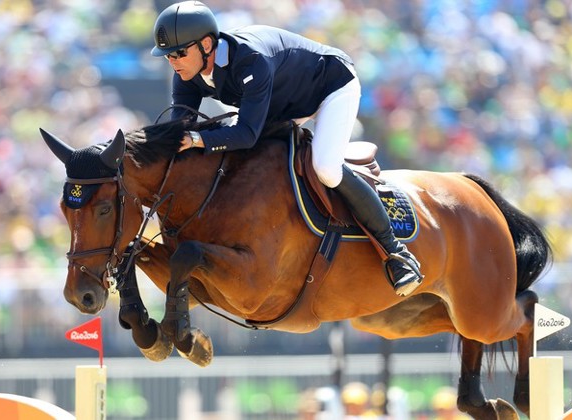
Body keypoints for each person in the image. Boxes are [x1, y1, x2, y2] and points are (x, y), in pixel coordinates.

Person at [150, 1, 423, 296]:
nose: (174, 61)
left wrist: (200, 139)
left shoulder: (249, 61)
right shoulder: (188, 74)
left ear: (206, 44)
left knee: (326, 168)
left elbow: (247, 133)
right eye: (168, 55)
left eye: (179, 53)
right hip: (281, 104)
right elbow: (179, 133)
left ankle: (396, 253)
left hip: (330, 86)